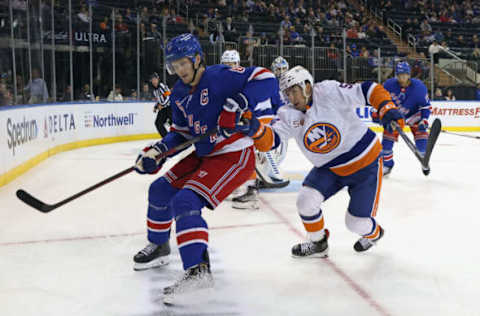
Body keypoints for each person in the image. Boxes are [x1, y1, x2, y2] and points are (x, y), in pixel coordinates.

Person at [133, 33, 277, 303]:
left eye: (183, 64)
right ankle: (159, 244)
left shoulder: (220, 75)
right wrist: (158, 151)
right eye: (174, 66)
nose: (179, 71)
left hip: (233, 155)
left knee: (186, 200)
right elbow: (181, 134)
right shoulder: (177, 93)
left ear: (198, 59)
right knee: (160, 190)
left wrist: (237, 104)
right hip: (205, 154)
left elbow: (266, 78)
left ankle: (199, 272)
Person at [234, 66, 404, 256]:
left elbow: (368, 90)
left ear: (307, 86)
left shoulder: (329, 91)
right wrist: (256, 129)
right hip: (330, 167)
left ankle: (375, 234)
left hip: (365, 163)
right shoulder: (287, 114)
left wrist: (386, 107)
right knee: (306, 201)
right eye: (287, 93)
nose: (291, 97)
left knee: (355, 223)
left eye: (294, 91)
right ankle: (318, 243)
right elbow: (271, 140)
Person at [379, 61, 431, 175]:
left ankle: (423, 158)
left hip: (414, 115)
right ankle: (387, 165)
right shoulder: (388, 85)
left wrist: (424, 119)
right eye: (400, 75)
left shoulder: (419, 87)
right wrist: (380, 114)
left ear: (409, 75)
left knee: (421, 136)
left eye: (405, 74)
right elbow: (380, 100)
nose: (402, 77)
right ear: (396, 75)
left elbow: (426, 106)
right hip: (396, 116)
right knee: (387, 141)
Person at [150, 72, 172, 137]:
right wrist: (156, 106)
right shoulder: (154, 90)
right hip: (163, 109)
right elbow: (159, 100)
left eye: (155, 79)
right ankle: (166, 138)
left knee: (173, 124)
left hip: (170, 107)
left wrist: (162, 105)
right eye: (152, 80)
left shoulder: (162, 86)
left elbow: (168, 96)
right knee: (158, 123)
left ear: (158, 79)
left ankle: (180, 137)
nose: (154, 81)